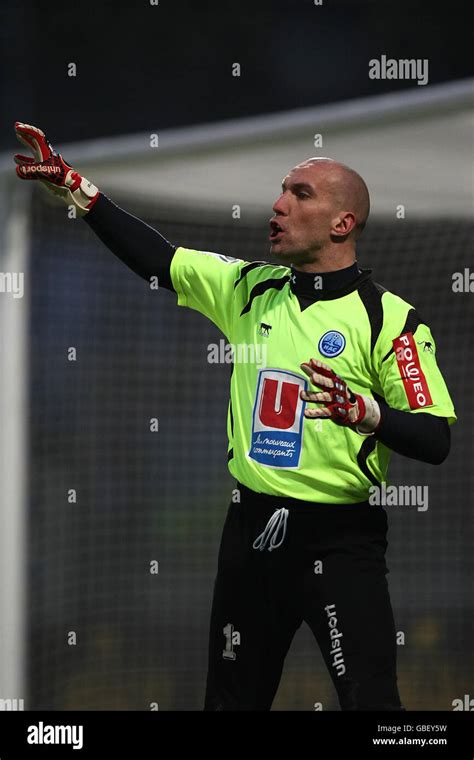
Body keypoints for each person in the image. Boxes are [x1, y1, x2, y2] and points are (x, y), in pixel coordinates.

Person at [14, 122, 457, 711]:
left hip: (339, 541)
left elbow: (435, 437)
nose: (278, 205)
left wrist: (368, 413)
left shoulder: (390, 321)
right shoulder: (250, 288)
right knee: (227, 705)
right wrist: (79, 190)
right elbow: (160, 260)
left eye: (300, 194)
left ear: (342, 224)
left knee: (375, 708)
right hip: (250, 534)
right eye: (281, 190)